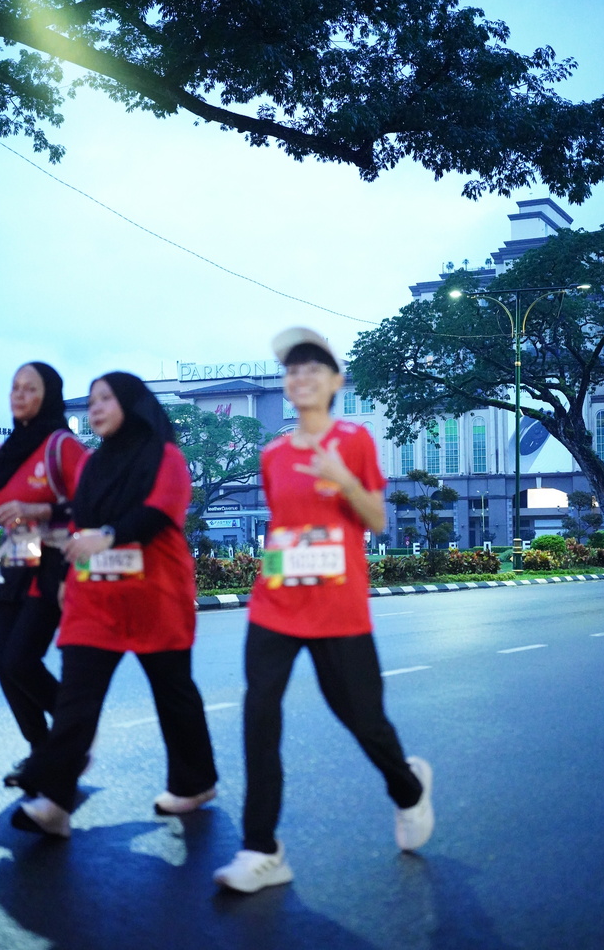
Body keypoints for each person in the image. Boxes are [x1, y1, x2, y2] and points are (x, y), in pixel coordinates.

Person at [214, 328, 434, 894]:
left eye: (313, 367)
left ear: (336, 382)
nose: (301, 376)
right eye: (293, 369)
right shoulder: (273, 454)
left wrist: (343, 480)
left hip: (338, 607)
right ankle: (262, 849)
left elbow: (377, 520)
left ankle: (408, 788)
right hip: (275, 602)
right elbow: (284, 527)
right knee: (259, 714)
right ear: (286, 386)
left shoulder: (355, 441)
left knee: (362, 718)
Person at [10, 372, 218, 838]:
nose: (96, 408)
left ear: (131, 403)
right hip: (95, 598)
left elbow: (160, 511)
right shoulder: (91, 465)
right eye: (92, 402)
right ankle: (55, 802)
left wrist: (108, 535)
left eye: (106, 399)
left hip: (154, 596)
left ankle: (196, 782)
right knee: (76, 698)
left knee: (173, 693)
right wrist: (66, 576)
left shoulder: (166, 457)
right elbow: (77, 527)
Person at [0, 363, 87, 786]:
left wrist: (40, 510)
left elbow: (92, 502)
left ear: (48, 395)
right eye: (15, 388)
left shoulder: (63, 446)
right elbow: (0, 509)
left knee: (21, 660)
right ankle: (42, 749)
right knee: (4, 665)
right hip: (14, 563)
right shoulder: (6, 451)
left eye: (29, 388)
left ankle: (74, 736)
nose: (18, 395)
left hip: (54, 565)